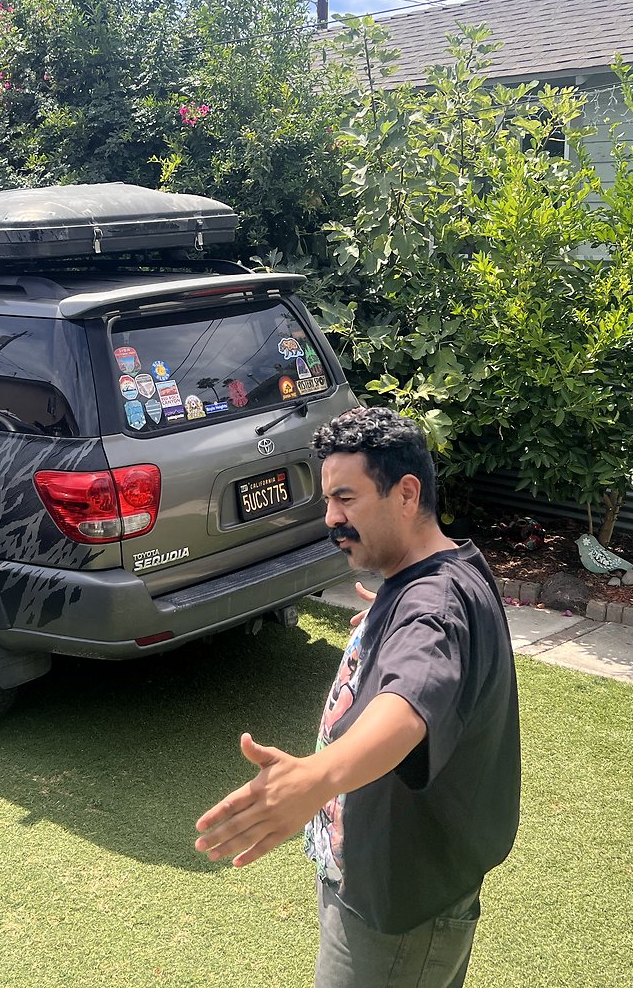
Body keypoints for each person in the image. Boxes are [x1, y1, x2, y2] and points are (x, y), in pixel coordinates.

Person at [194, 407, 521, 987]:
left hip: (398, 910)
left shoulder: (433, 610)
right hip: (381, 877)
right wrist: (384, 618)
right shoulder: (432, 574)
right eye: (328, 500)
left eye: (346, 499)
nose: (331, 518)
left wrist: (317, 776)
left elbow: (408, 708)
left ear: (406, 494)